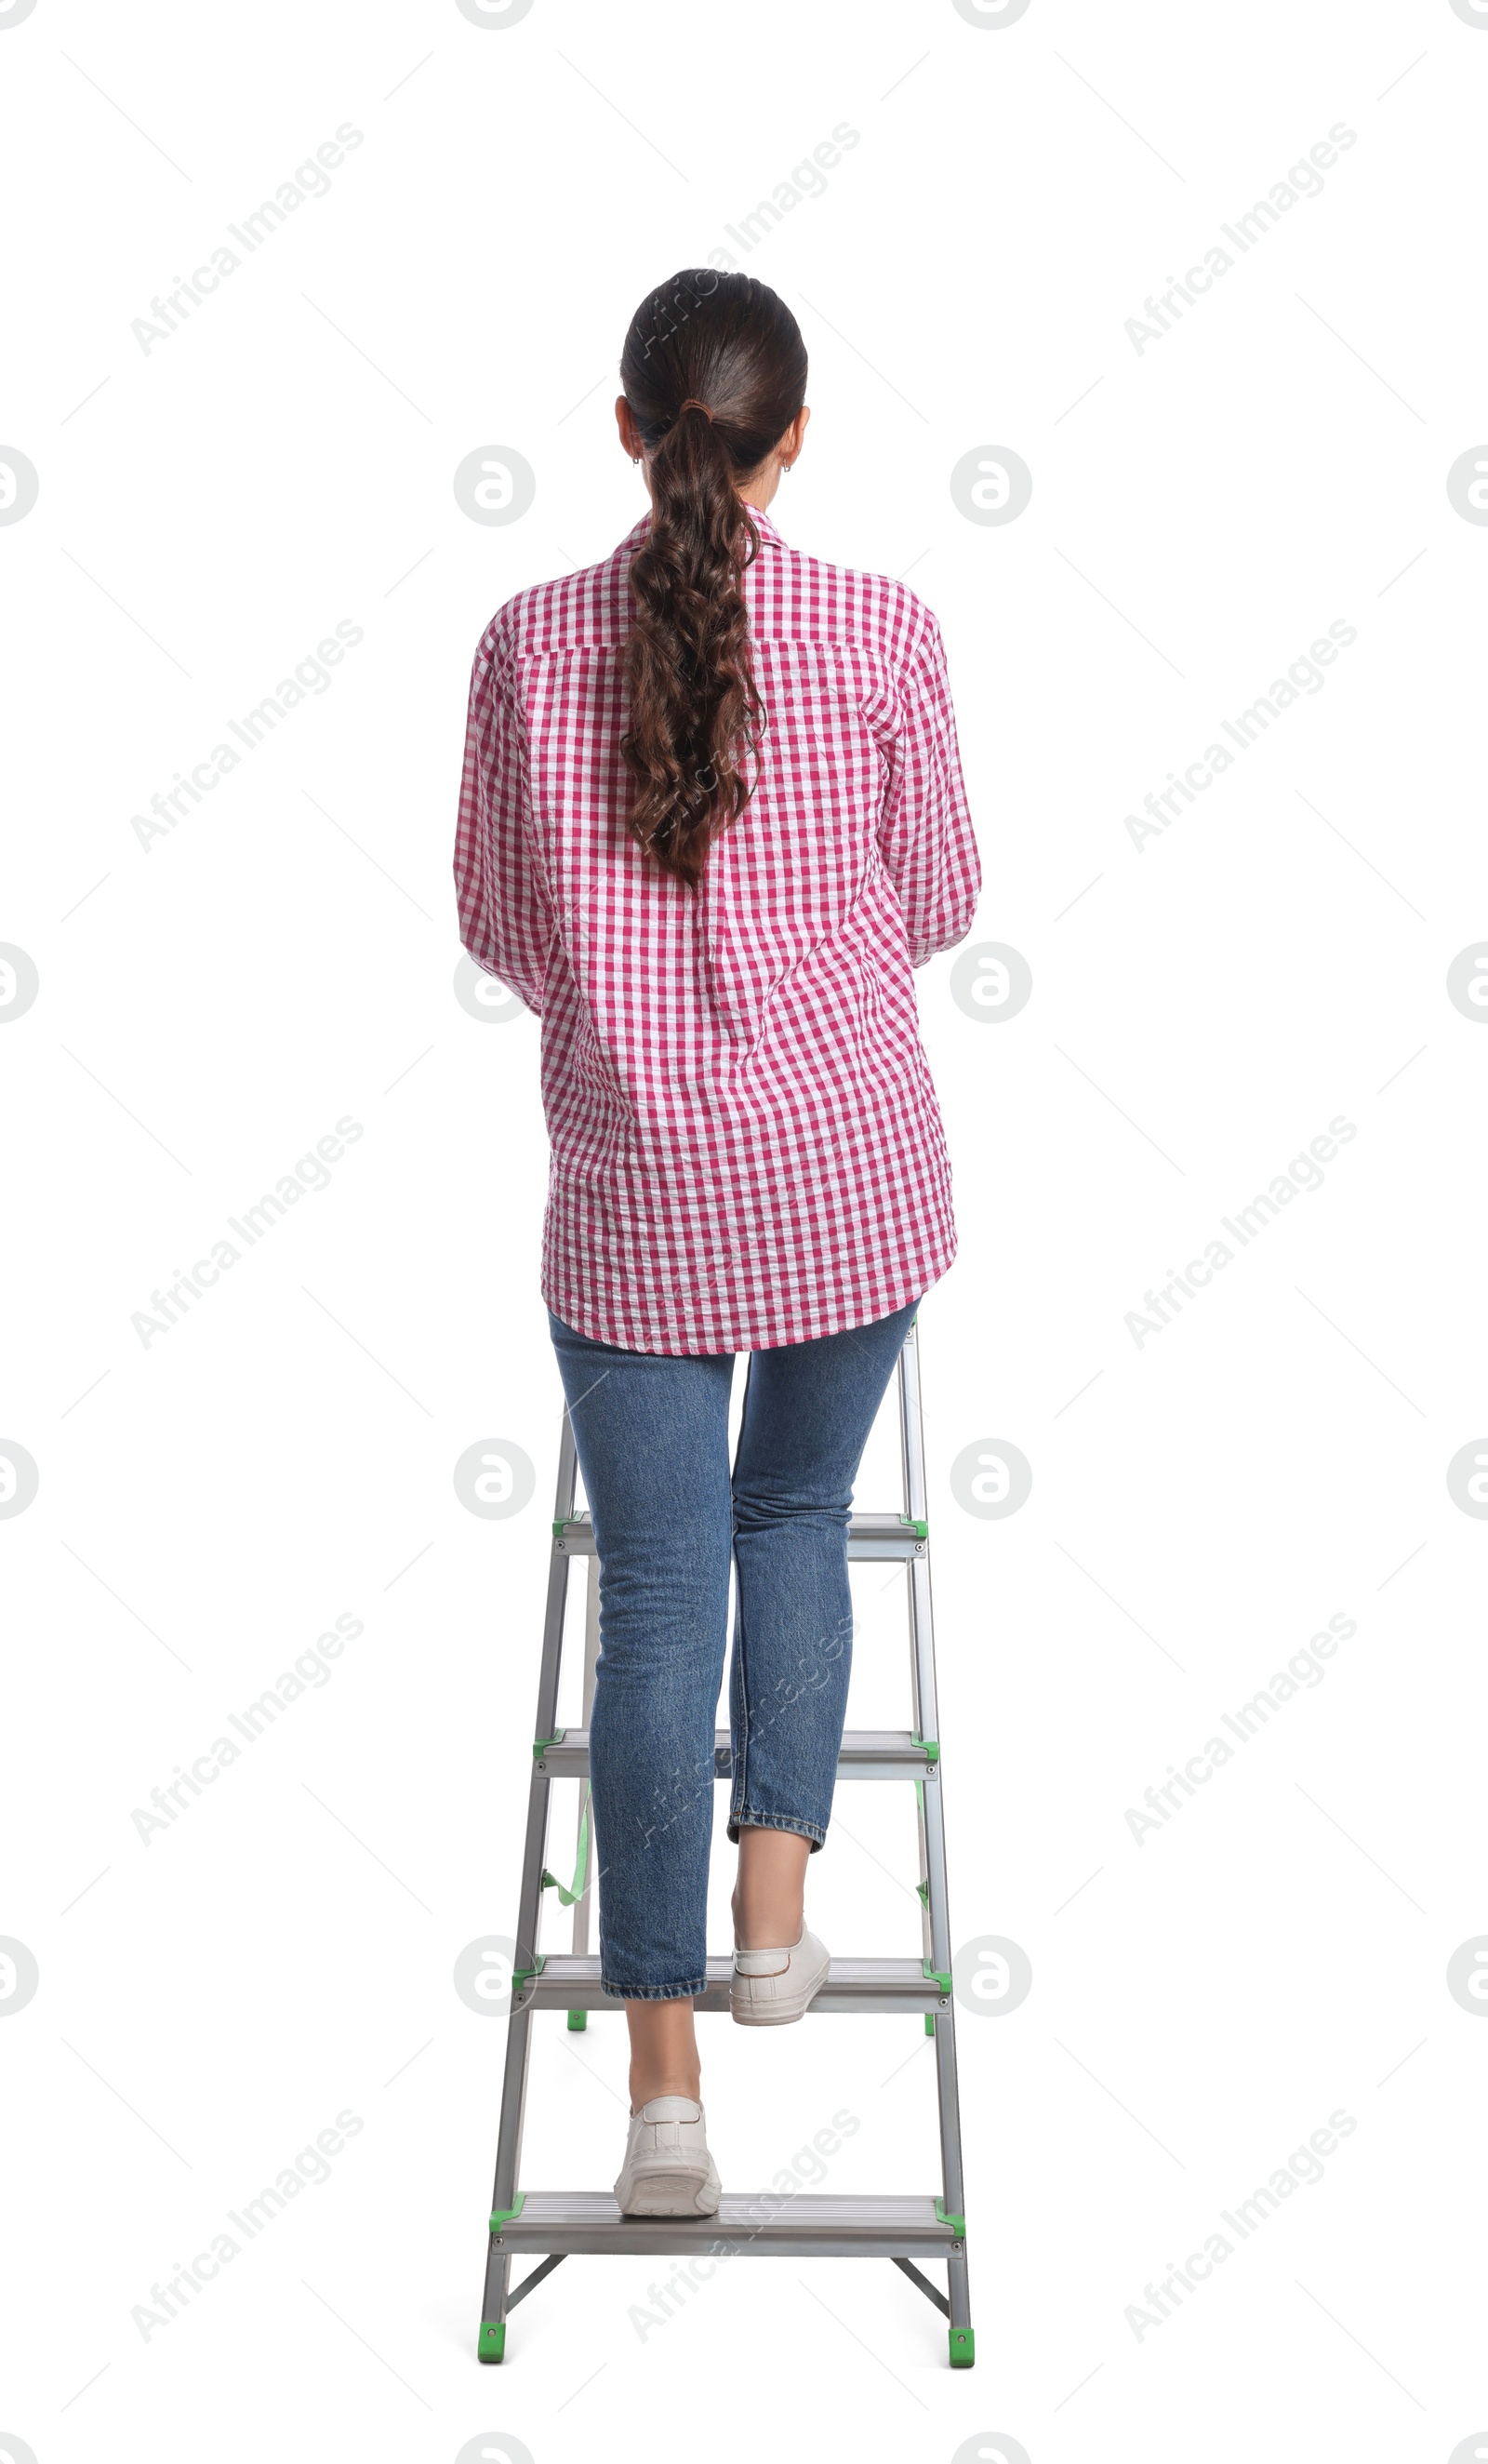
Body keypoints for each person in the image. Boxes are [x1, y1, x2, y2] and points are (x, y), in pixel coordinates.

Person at [454, 268, 979, 2217]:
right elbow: (934, 893)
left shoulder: (527, 641)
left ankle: (658, 2093)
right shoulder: (878, 629)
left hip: (629, 1194)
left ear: (622, 431)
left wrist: (634, 1014)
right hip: (850, 1169)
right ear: (794, 440)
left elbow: (498, 920)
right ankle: (779, 1910)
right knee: (791, 1524)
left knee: (660, 1595)